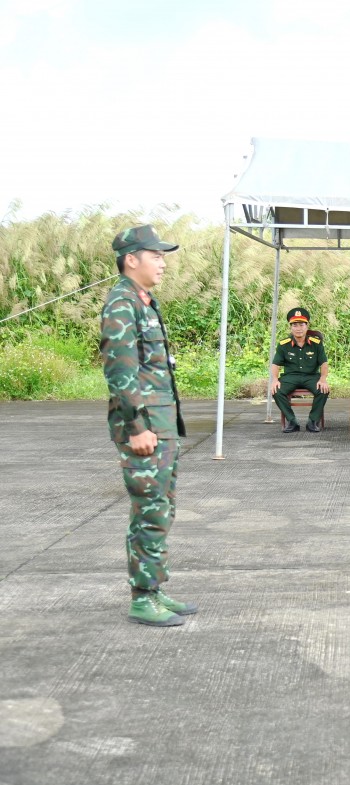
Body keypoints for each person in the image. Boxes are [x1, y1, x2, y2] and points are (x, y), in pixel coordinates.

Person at [101, 225, 195, 627]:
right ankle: (143, 597)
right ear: (131, 259)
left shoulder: (142, 300)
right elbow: (121, 372)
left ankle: (153, 588)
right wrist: (137, 426)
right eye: (154, 255)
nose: (162, 261)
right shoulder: (122, 304)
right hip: (145, 428)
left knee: (161, 508)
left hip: (160, 424)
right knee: (150, 511)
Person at [270, 308, 329, 433]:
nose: (298, 328)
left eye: (301, 324)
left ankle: (313, 421)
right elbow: (275, 364)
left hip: (311, 376)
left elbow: (324, 363)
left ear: (307, 326)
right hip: (290, 377)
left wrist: (323, 379)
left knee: (323, 390)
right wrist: (275, 380)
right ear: (291, 327)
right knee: (277, 390)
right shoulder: (283, 344)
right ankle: (292, 421)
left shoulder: (316, 343)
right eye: (295, 325)